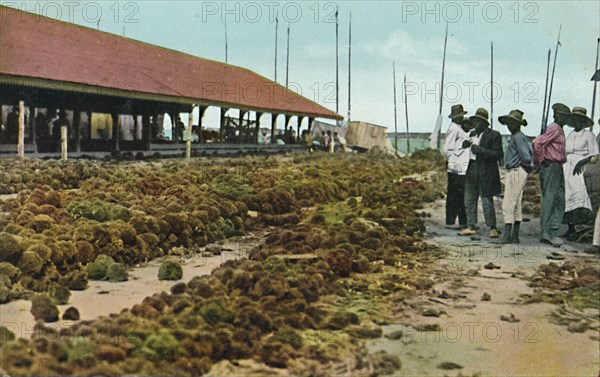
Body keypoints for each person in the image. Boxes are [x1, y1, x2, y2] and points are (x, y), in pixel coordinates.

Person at [459, 108, 502, 238]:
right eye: (475, 121)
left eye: (478, 121)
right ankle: (471, 225)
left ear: (484, 122)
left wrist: (481, 151)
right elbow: (463, 149)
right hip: (471, 168)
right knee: (469, 199)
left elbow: (498, 154)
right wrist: (464, 144)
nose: (475, 124)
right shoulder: (472, 134)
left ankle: (492, 227)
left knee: (486, 200)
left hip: (486, 171)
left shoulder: (494, 135)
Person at [533, 103, 569, 246]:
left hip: (557, 166)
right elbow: (537, 142)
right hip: (551, 165)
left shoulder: (558, 129)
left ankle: (551, 230)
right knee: (551, 199)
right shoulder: (555, 128)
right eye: (564, 116)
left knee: (559, 200)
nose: (566, 119)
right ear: (558, 115)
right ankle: (547, 233)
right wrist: (541, 160)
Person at [494, 110, 533, 244]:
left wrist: (525, 165)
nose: (510, 126)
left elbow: (527, 157)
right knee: (516, 204)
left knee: (508, 204)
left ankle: (506, 236)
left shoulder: (517, 137)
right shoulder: (519, 136)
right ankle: (514, 236)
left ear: (518, 124)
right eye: (508, 123)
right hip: (518, 170)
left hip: (516, 170)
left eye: (512, 123)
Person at [562, 107, 599, 241]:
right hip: (567, 167)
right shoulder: (571, 134)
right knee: (567, 196)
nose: (577, 122)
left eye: (580, 120)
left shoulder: (589, 136)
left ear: (583, 121)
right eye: (575, 120)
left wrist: (582, 161)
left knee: (578, 196)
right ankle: (570, 228)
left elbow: (595, 155)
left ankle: (578, 227)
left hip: (581, 168)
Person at [444, 104, 470, 229]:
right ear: (453, 117)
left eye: (461, 115)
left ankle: (459, 221)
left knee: (458, 195)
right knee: (455, 195)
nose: (460, 118)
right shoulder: (454, 129)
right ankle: (453, 221)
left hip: (461, 167)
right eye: (458, 116)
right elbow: (448, 149)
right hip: (456, 167)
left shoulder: (459, 129)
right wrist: (461, 149)